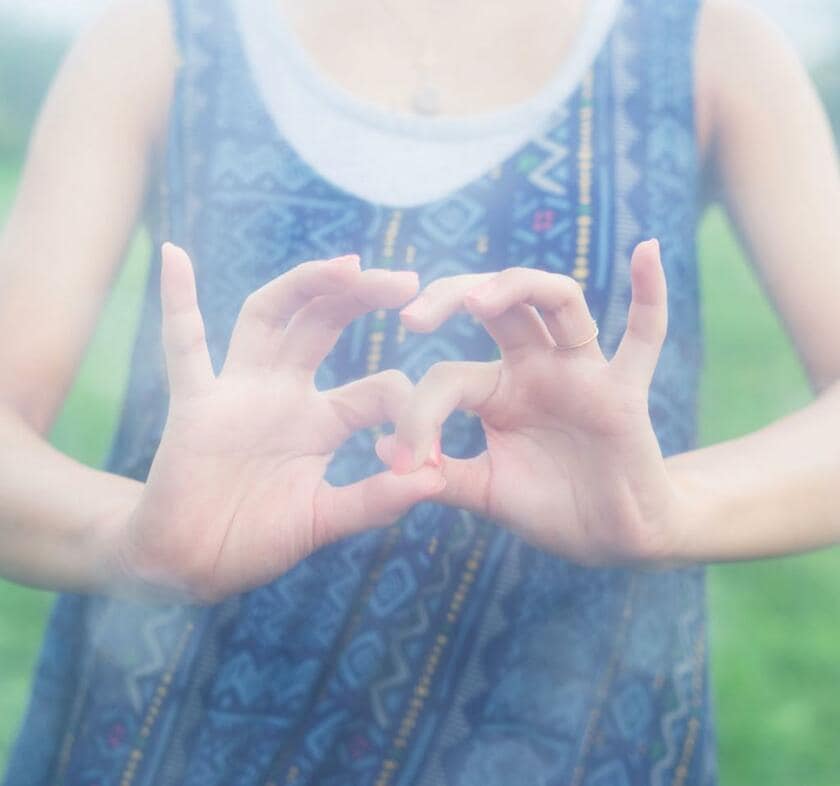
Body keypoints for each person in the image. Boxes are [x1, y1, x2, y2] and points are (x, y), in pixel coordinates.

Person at [1, 0, 839, 783]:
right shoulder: (162, 33)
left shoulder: (707, 41)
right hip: (163, 740)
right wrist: (132, 539)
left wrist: (669, 509)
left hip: (580, 741)